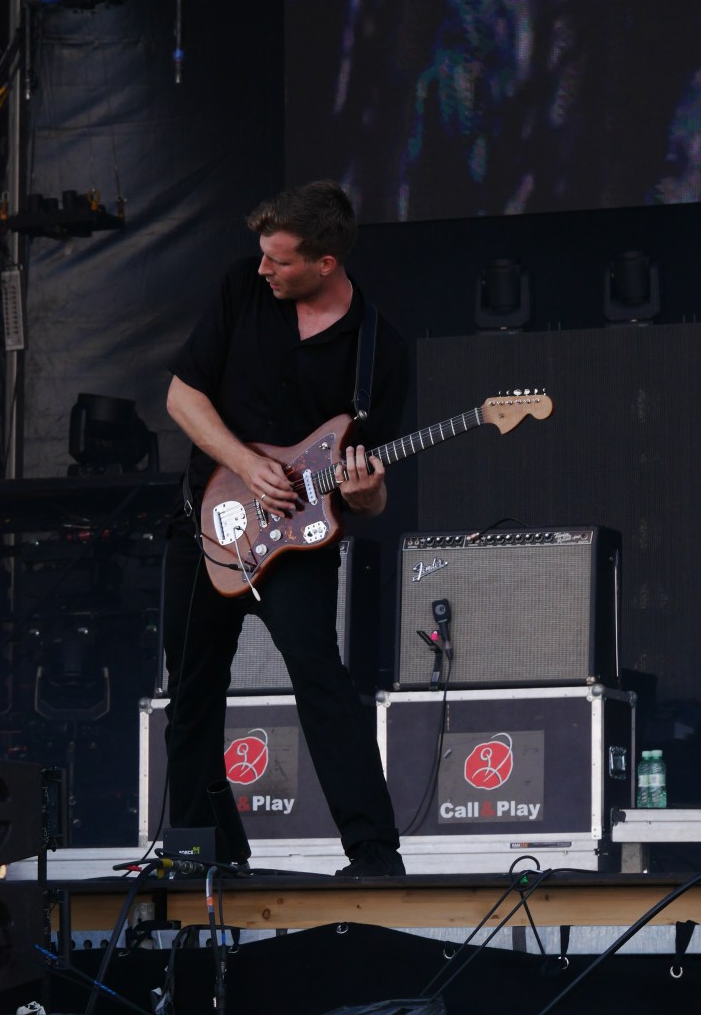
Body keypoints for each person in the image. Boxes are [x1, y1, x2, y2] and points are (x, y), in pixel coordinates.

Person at [162, 179, 408, 877]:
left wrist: (366, 493)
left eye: (280, 259)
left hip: (299, 546)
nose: (264, 267)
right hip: (208, 524)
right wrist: (246, 463)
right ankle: (202, 852)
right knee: (191, 691)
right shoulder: (241, 289)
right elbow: (182, 396)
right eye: (263, 254)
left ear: (325, 262)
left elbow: (368, 498)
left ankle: (373, 852)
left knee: (320, 681)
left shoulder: (379, 351)